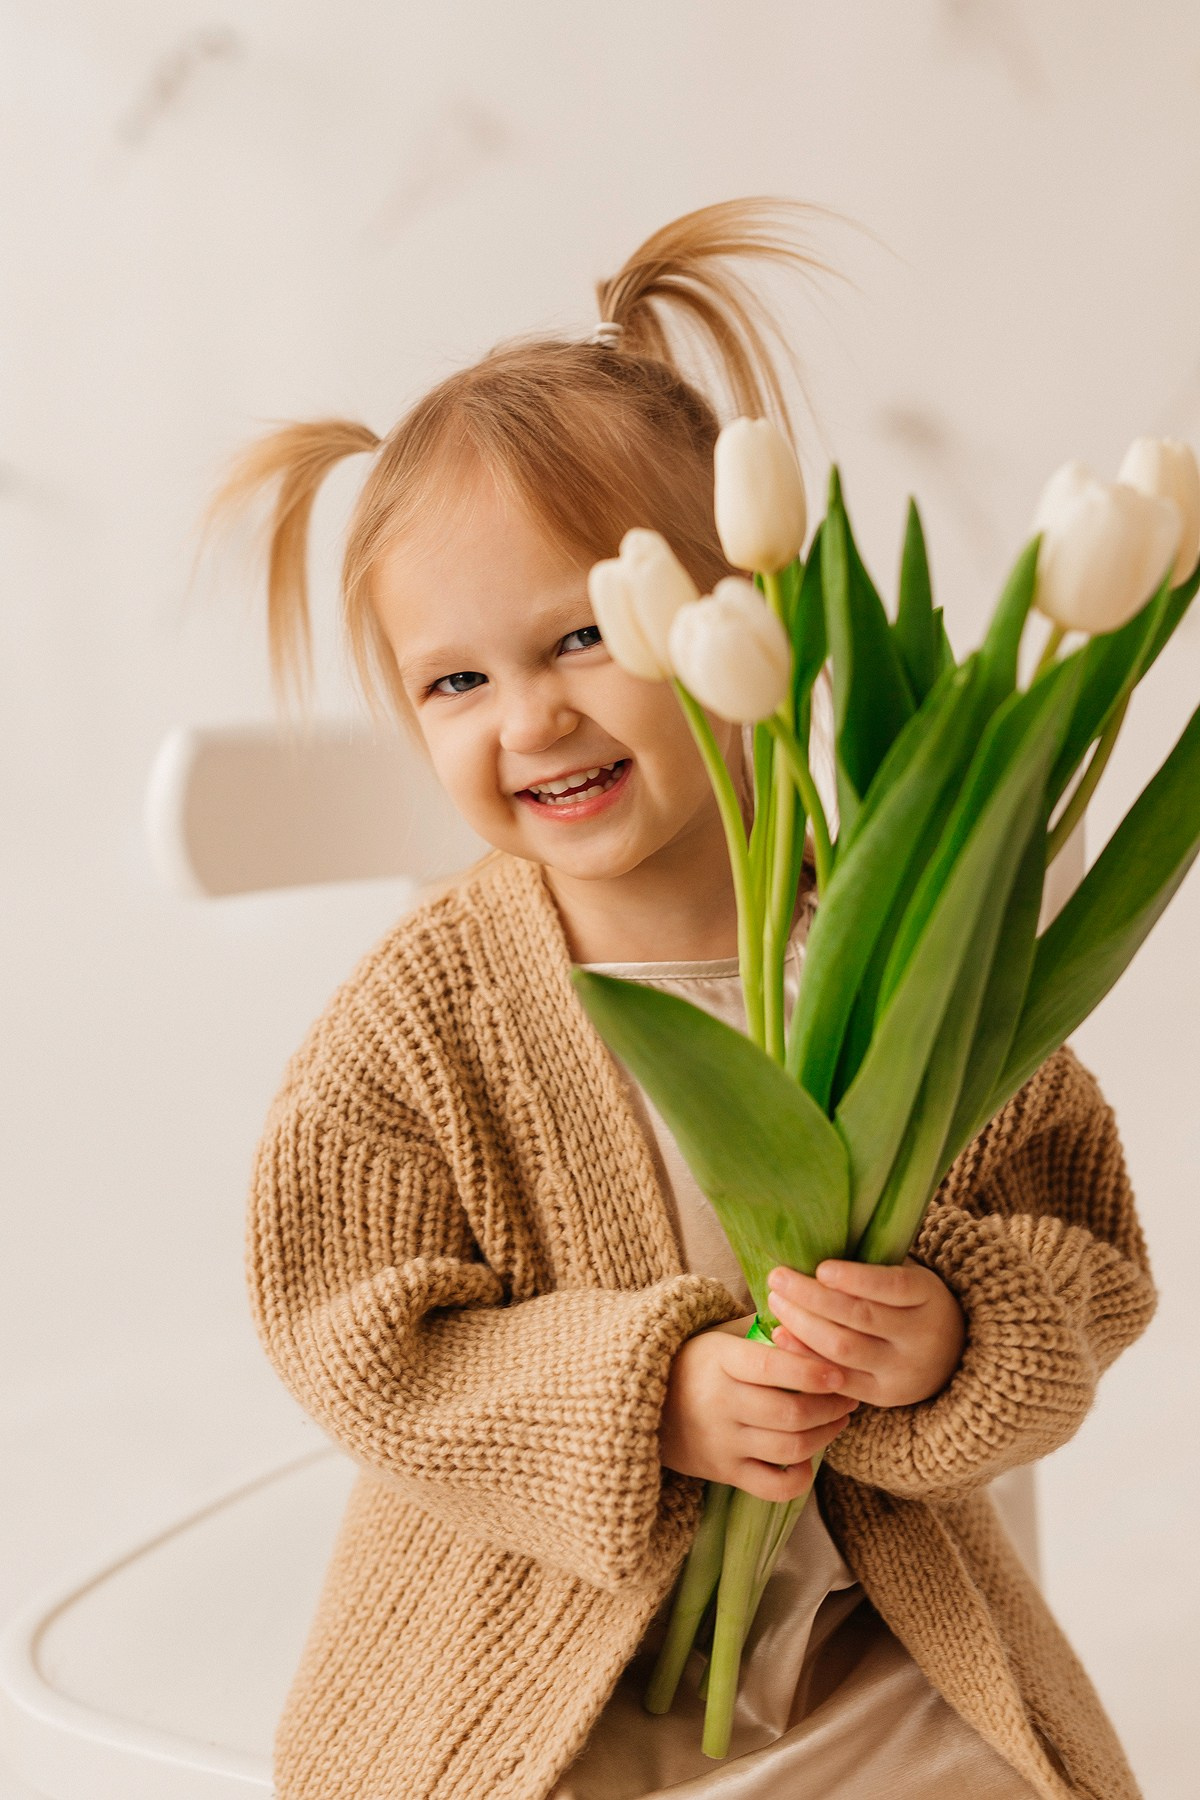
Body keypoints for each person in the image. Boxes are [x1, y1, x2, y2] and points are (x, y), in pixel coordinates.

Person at [202, 197, 1157, 1799]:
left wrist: (955, 1337)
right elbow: (356, 1335)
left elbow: (1084, 1251)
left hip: (865, 1632)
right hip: (527, 1650)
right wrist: (650, 1397)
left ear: (745, 619)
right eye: (458, 680)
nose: (533, 718)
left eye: (585, 634)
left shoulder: (914, 962)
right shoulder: (425, 1018)